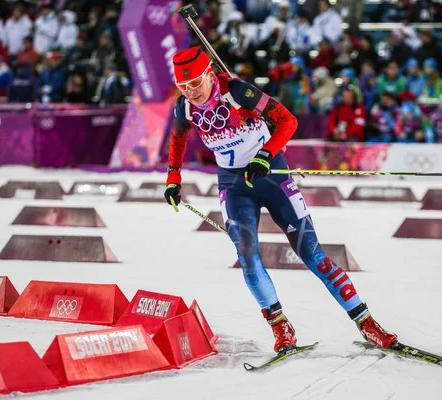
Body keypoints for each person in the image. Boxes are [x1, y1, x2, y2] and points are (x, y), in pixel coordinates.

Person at [162, 46, 398, 354]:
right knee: (247, 254)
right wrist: (173, 176)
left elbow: (287, 121)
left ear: (209, 74)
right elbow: (178, 137)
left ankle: (367, 324)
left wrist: (264, 155)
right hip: (233, 185)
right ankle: (281, 327)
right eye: (184, 86)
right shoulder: (186, 108)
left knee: (311, 253)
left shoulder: (238, 92)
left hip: (271, 174)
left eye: (195, 83)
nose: (191, 92)